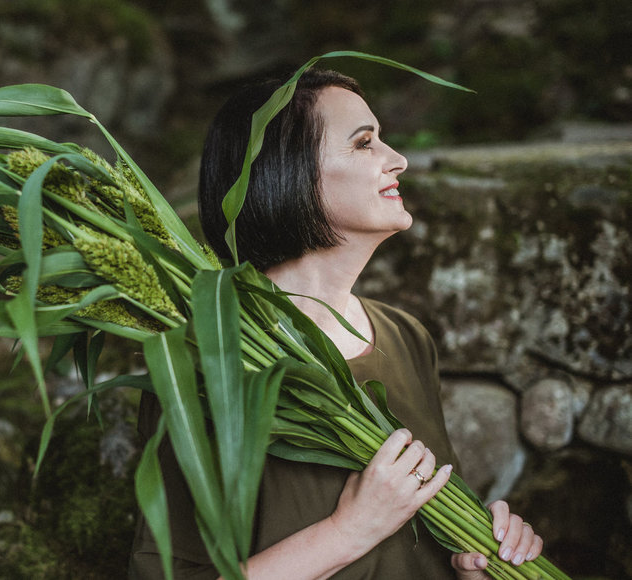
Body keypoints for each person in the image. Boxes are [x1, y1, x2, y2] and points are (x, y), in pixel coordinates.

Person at [128, 69, 544, 579]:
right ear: (286, 172)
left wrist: (477, 559)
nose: (398, 160)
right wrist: (350, 530)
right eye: (365, 143)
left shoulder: (406, 337)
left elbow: (426, 540)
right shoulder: (202, 363)